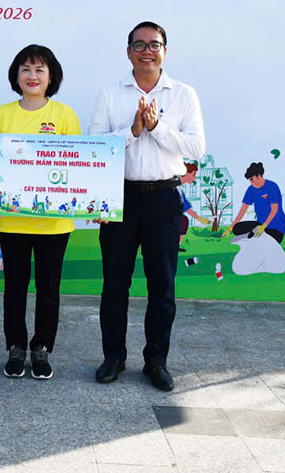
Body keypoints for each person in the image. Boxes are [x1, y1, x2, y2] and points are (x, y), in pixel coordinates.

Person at [88, 21, 205, 392]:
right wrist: (134, 130)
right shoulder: (110, 93)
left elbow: (196, 148)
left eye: (154, 44)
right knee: (115, 283)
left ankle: (156, 360)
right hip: (120, 196)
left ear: (164, 51)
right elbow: (95, 146)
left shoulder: (183, 94)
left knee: (162, 284)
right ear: (128, 52)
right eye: (139, 45)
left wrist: (156, 127)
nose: (146, 51)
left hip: (165, 198)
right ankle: (113, 357)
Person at [0, 44, 81, 379]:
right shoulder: (2, 114)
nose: (32, 76)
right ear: (16, 75)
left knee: (48, 288)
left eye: (40, 70)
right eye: (25, 69)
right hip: (11, 220)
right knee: (15, 286)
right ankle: (15, 346)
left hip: (54, 223)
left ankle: (42, 348)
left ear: (51, 76)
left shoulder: (65, 115)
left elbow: (75, 163)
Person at [223, 162, 285, 244]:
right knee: (236, 228)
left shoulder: (272, 187)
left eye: (252, 179)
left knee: (263, 236)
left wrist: (264, 226)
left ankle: (251, 237)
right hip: (259, 226)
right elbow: (242, 211)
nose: (252, 182)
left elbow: (274, 210)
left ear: (259, 176)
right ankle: (252, 236)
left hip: (275, 229)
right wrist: (230, 228)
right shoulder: (251, 189)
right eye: (250, 180)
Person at [178, 162, 209, 251]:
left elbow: (186, 208)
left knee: (183, 220)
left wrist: (200, 219)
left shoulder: (179, 190)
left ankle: (176, 245)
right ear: (186, 173)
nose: (194, 178)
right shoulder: (174, 187)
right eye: (193, 174)